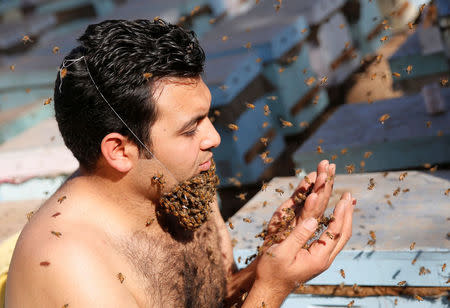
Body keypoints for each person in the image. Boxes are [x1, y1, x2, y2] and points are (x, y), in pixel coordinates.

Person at [5, 19, 355, 307]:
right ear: (119, 151)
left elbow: (206, 298)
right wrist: (273, 289)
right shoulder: (71, 265)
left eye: (208, 116)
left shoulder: (181, 184)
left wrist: (267, 264)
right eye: (190, 130)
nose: (214, 138)